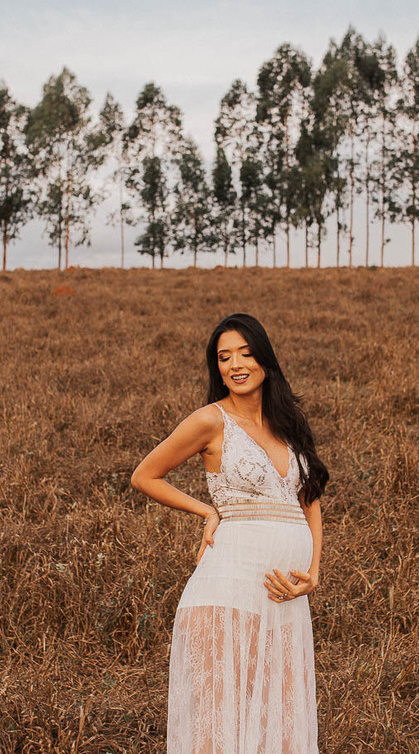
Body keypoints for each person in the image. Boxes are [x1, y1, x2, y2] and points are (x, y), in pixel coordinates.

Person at [130, 312, 329, 753]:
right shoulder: (210, 421)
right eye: (223, 357)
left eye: (245, 352)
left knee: (277, 725)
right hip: (225, 594)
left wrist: (314, 570)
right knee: (218, 726)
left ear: (264, 359)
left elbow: (309, 498)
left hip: (284, 599)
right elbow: (145, 475)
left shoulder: (289, 423)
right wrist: (207, 510)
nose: (235, 364)